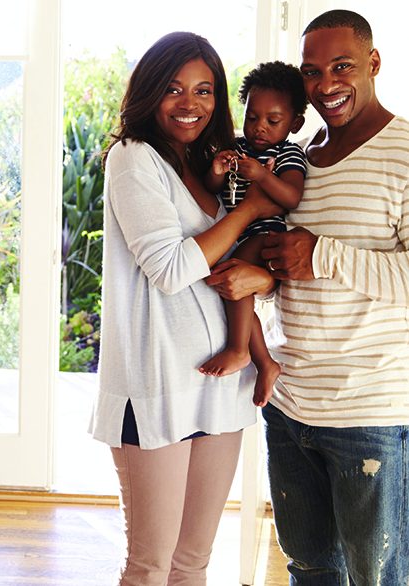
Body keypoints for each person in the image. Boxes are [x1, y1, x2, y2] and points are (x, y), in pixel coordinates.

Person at [219, 9, 409, 585]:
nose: (326, 84)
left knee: (376, 577)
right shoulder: (293, 159)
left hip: (370, 414)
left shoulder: (404, 152)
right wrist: (266, 279)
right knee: (309, 571)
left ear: (373, 63)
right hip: (290, 406)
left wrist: (319, 252)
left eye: (342, 67)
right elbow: (289, 267)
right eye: (311, 71)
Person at [88, 31, 279, 585]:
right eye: (173, 88)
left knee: (192, 562)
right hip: (154, 387)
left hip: (221, 382)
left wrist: (259, 272)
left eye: (203, 90)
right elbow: (171, 269)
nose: (189, 103)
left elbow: (235, 270)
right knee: (149, 566)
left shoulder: (209, 165)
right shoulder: (132, 159)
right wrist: (246, 216)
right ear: (149, 92)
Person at [199, 61, 307, 408]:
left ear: (295, 123)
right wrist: (218, 170)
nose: (259, 128)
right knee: (232, 287)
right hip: (237, 237)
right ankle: (265, 362)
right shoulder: (237, 146)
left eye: (273, 121)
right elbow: (215, 190)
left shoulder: (289, 153)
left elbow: (291, 196)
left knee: (234, 277)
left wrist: (261, 175)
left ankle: (238, 349)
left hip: (266, 236)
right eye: (252, 118)